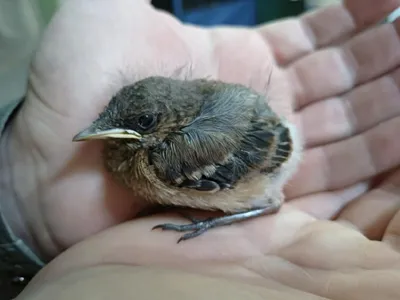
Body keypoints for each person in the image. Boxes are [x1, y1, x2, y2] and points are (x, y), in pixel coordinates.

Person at [1, 0, 400, 299]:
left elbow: (272, 153)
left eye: (140, 124)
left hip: (268, 151)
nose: (106, 129)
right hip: (251, 120)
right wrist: (26, 200)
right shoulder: (136, 143)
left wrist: (208, 222)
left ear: (166, 123)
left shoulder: (168, 159)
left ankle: (263, 207)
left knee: (265, 197)